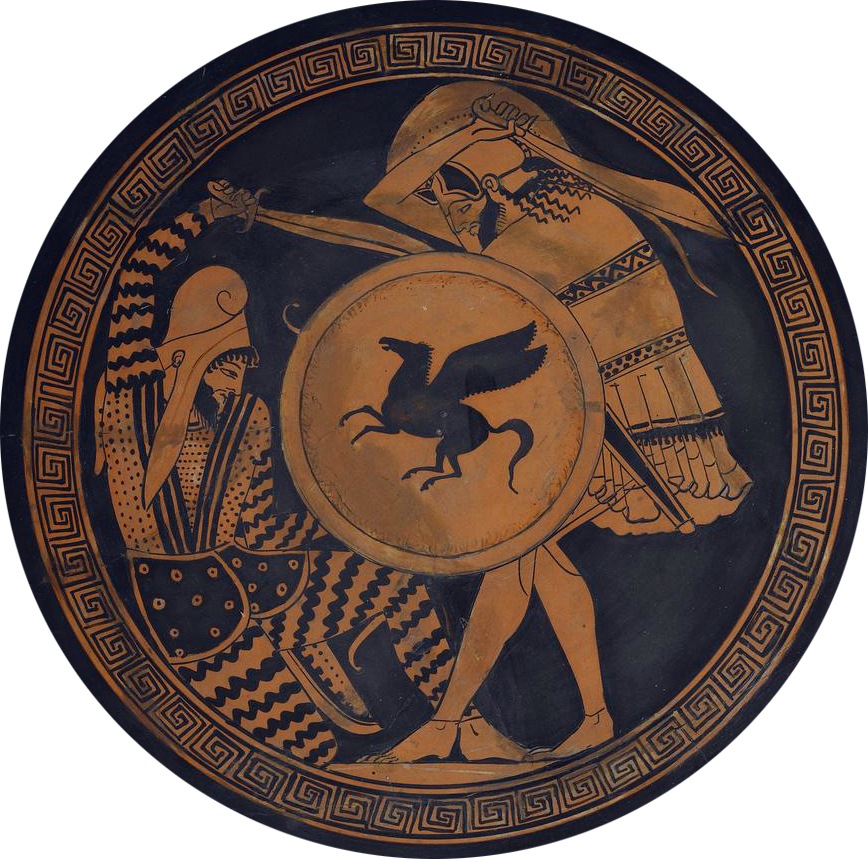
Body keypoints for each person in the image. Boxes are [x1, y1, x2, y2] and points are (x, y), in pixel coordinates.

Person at [361, 81, 753, 760]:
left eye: (459, 182)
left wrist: (530, 153)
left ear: (509, 167)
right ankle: (587, 718)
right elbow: (393, 217)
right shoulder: (510, 228)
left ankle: (451, 722)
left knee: (517, 554)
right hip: (590, 414)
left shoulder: (571, 217)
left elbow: (719, 218)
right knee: (539, 561)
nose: (449, 200)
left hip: (643, 417)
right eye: (442, 186)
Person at [95, 191, 454, 764]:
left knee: (392, 576)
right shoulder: (132, 397)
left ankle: (456, 719)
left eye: (242, 364)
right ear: (190, 356)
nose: (237, 380)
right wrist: (203, 215)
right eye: (226, 365)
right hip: (186, 611)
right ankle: (341, 708)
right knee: (309, 752)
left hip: (254, 578)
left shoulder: (247, 421)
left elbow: (258, 526)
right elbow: (133, 282)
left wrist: (343, 532)